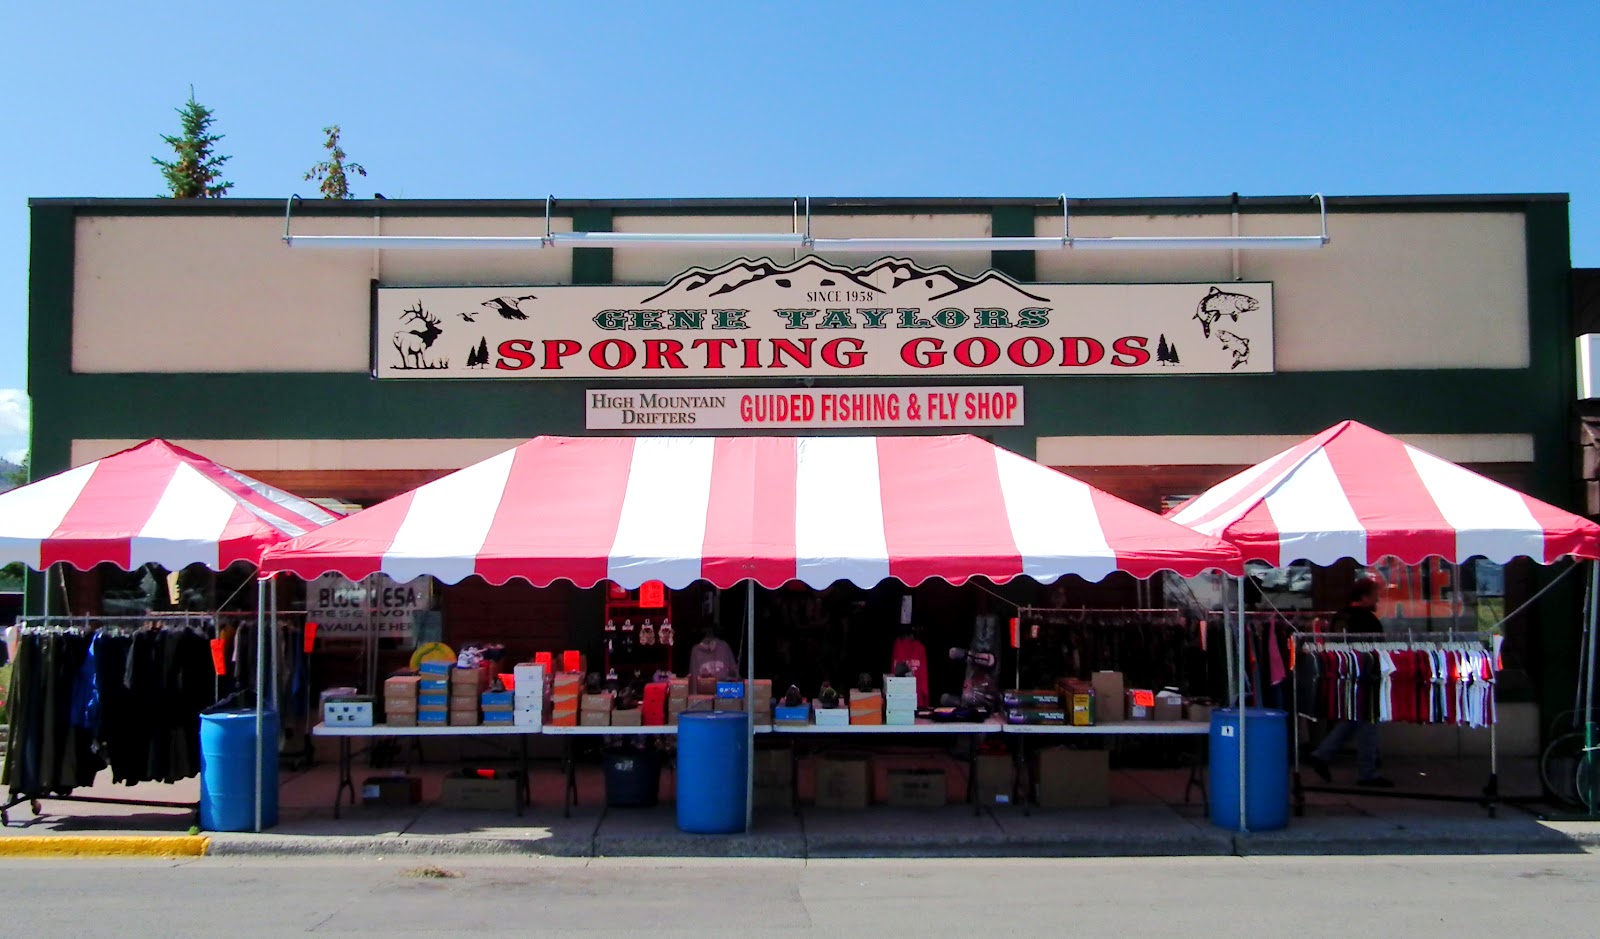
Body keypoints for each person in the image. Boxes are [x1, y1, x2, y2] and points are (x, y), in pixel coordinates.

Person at [1307, 577, 1394, 788]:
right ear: (1364, 597)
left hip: (1342, 674)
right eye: (1375, 595)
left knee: (1354, 719)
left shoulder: (1340, 617)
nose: (1378, 600)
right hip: (1366, 673)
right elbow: (1377, 650)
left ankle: (1323, 754)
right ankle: (1367, 772)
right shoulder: (1368, 620)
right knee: (1368, 719)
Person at [688, 626, 739, 694]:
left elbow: (735, 674)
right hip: (704, 699)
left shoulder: (724, 647)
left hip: (724, 695)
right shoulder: (696, 652)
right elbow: (693, 680)